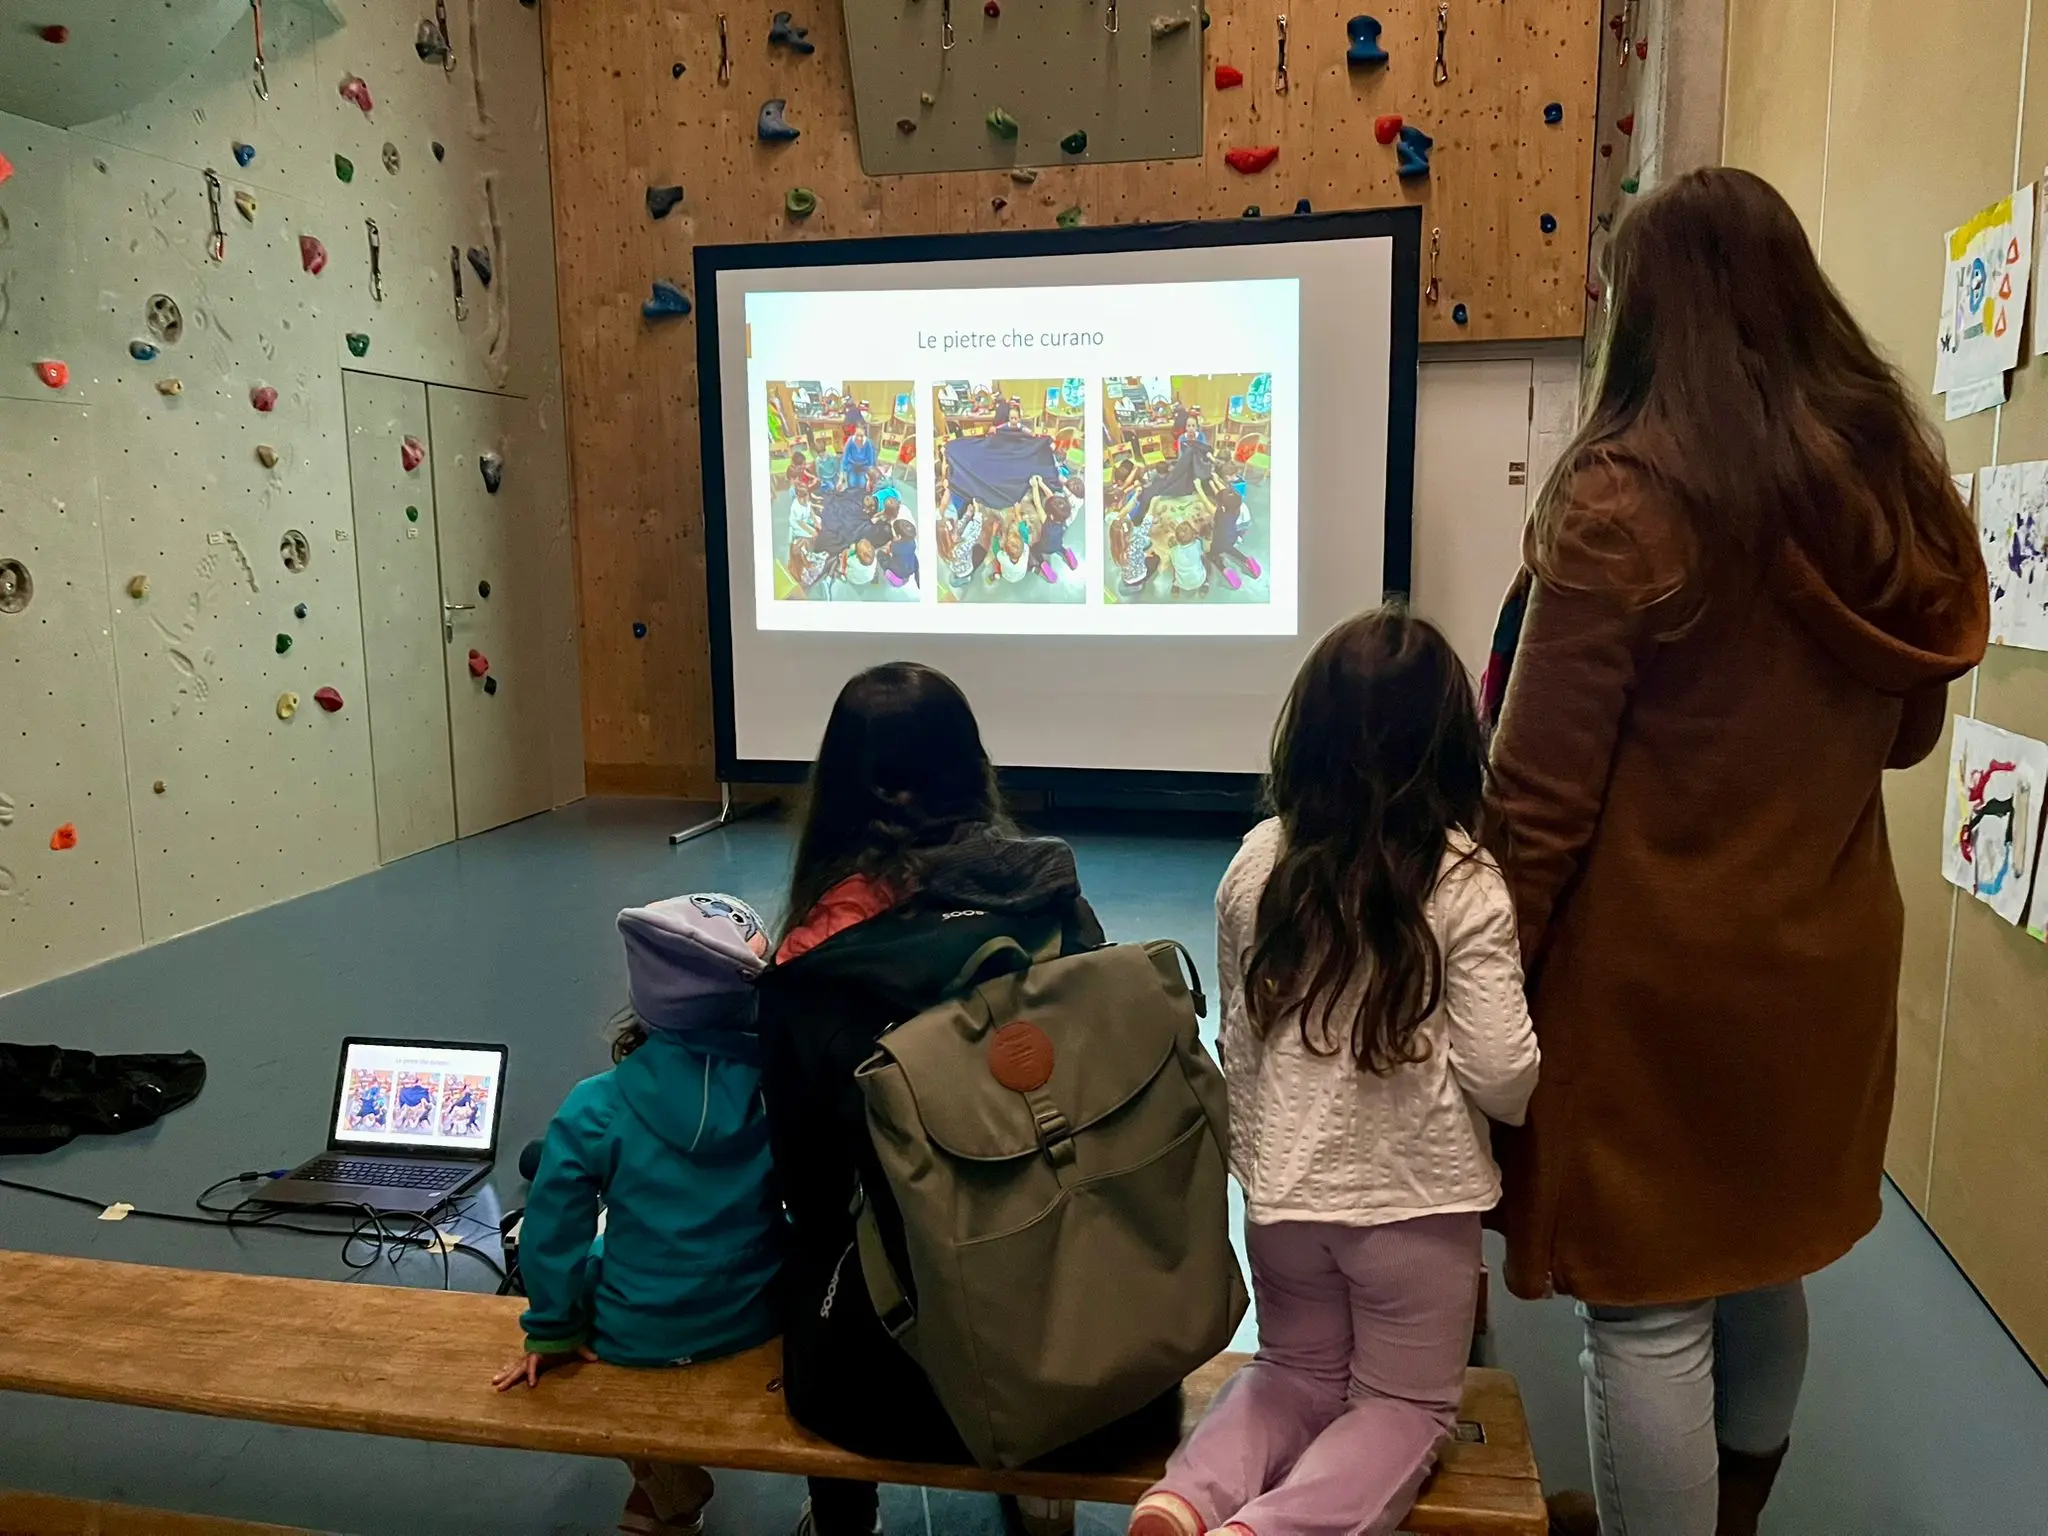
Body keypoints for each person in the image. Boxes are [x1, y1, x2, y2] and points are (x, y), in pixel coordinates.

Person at [1485, 167, 1989, 1536]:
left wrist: (1464, 998)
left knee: (1648, 1313)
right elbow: (1901, 739)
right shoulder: (1890, 486)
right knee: (1765, 1258)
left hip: (1655, 986)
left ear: (1647, 314)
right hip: (1823, 960)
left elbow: (1535, 807)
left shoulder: (1621, 502)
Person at [1129, 609, 1537, 1536]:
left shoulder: (1256, 862)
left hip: (1283, 1199)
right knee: (1404, 1407)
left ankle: (1184, 1499)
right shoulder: (1465, 878)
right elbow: (1505, 1072)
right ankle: (1263, 1532)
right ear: (1450, 744)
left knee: (1292, 1377)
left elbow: (1240, 1040)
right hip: (1413, 1206)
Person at [756, 663, 1120, 1536]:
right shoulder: (1053, 898)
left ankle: (842, 1510)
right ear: (971, 764)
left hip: (880, 1374)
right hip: (1064, 1325)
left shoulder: (811, 958)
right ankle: (1042, 1493)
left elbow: (803, 1188)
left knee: (815, 1238)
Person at [495, 894, 784, 1536]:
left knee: (594, 1264)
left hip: (639, 1337)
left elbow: (551, 1229)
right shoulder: (785, 1093)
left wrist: (549, 1329)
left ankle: (667, 1485)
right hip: (755, 1316)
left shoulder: (597, 1104)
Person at [1169, 520, 1208, 599]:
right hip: (1198, 581)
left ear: (1176, 539)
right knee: (1205, 562)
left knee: (1175, 566)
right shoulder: (1197, 543)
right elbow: (1202, 554)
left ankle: (1175, 584)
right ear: (1194, 536)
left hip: (1181, 582)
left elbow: (1173, 562)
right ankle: (1205, 583)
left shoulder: (1173, 551)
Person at [839, 422, 878, 491]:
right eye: (857, 435)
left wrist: (870, 479)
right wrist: (842, 477)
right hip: (852, 466)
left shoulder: (868, 443)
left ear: (865, 435)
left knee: (862, 485)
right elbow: (844, 459)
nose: (859, 438)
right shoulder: (850, 441)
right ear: (854, 433)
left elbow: (871, 462)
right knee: (852, 483)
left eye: (861, 436)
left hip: (863, 467)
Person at [881, 517, 919, 588]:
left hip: (898, 579)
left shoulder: (894, 547)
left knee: (881, 555)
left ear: (899, 536)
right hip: (907, 573)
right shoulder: (912, 543)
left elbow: (889, 565)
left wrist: (884, 553)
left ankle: (892, 582)